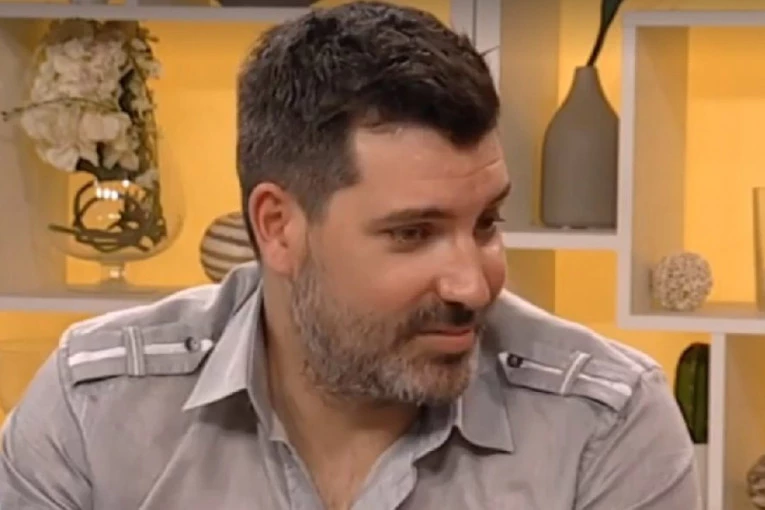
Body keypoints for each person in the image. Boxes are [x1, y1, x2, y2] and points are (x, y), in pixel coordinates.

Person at [0, 2, 701, 509]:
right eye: (412, 233)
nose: (471, 284)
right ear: (278, 227)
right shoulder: (97, 407)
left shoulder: (603, 424)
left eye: (486, 223)